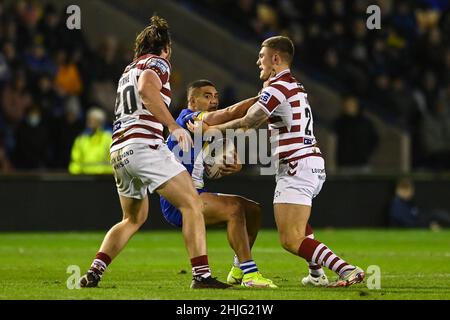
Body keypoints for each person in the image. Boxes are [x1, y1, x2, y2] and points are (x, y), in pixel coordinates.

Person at [189, 36, 365, 287]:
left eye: (261, 56)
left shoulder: (278, 87)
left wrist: (210, 131)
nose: (258, 61)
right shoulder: (292, 86)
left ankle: (348, 270)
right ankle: (316, 275)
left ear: (275, 58)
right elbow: (254, 124)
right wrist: (227, 141)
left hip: (297, 166)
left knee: (290, 239)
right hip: (308, 163)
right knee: (299, 224)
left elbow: (249, 120)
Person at [79, 15, 229, 289]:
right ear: (166, 48)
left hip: (119, 150)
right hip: (143, 145)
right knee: (192, 204)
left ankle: (94, 272)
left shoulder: (128, 69)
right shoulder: (158, 63)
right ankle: (202, 276)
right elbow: (148, 89)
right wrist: (172, 126)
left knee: (133, 218)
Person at [160, 79, 276, 288]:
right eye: (207, 96)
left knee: (253, 210)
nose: (213, 100)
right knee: (234, 209)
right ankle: (251, 275)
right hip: (180, 199)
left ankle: (238, 269)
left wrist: (234, 165)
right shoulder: (187, 118)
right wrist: (261, 99)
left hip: (197, 192)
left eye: (215, 96)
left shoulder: (207, 129)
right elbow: (229, 114)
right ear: (192, 101)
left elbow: (233, 143)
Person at [68, 107, 112, 174]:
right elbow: (75, 161)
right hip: (85, 178)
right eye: (89, 119)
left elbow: (115, 159)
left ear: (100, 121)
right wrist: (75, 173)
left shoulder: (108, 138)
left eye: (93, 120)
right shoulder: (81, 139)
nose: (89, 122)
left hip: (105, 178)